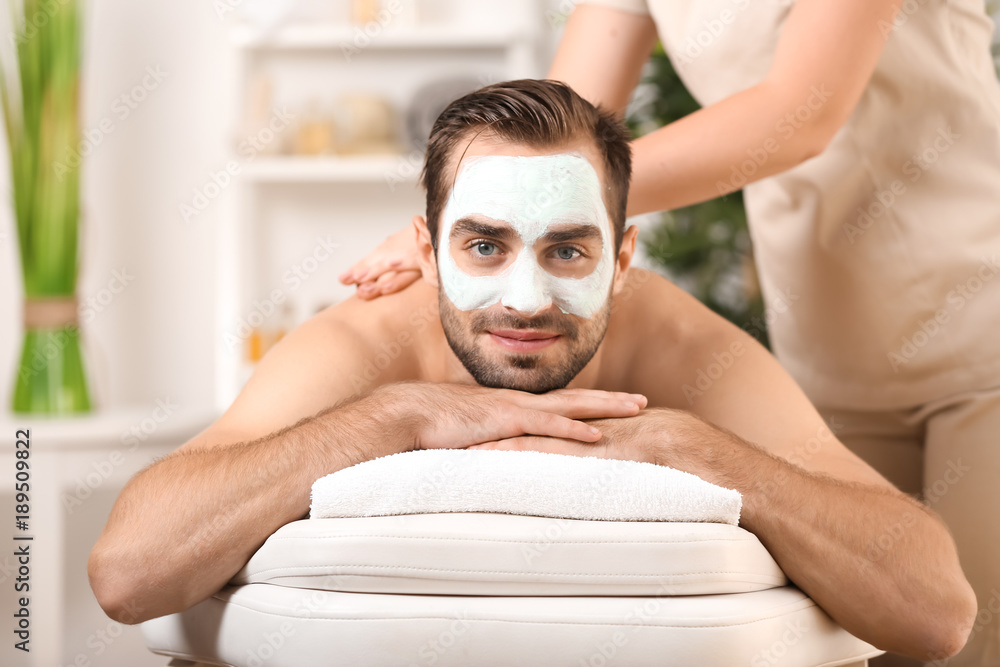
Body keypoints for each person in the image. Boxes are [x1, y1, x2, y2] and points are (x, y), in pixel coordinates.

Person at [88, 80, 975, 660]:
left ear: (623, 260)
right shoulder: (362, 348)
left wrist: (696, 448)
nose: (524, 299)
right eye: (483, 245)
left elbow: (937, 612)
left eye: (567, 248)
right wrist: (391, 418)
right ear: (426, 255)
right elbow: (128, 573)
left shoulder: (682, 351)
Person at [341, 3, 1000, 665]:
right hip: (830, 339)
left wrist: (514, 202)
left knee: (963, 635)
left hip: (978, 314)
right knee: (858, 635)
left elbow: (798, 113)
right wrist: (485, 211)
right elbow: (564, 121)